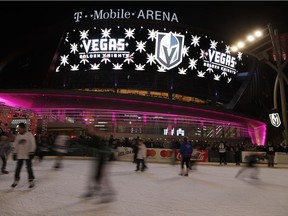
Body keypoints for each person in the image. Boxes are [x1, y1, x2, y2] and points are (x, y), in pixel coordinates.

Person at [82, 125, 116, 202]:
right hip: (100, 159)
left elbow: (93, 140)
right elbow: (91, 142)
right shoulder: (98, 139)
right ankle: (94, 191)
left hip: (103, 160)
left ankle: (108, 193)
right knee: (96, 176)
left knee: (102, 178)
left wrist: (90, 132)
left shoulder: (100, 139)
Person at [11, 123, 36, 188]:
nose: (18, 129)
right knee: (18, 168)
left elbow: (32, 143)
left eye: (20, 128)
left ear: (23, 128)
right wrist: (14, 153)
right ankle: (16, 180)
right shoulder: (18, 136)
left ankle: (31, 180)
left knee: (29, 168)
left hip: (28, 154)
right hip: (20, 154)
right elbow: (15, 145)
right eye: (18, 128)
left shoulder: (29, 135)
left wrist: (31, 152)